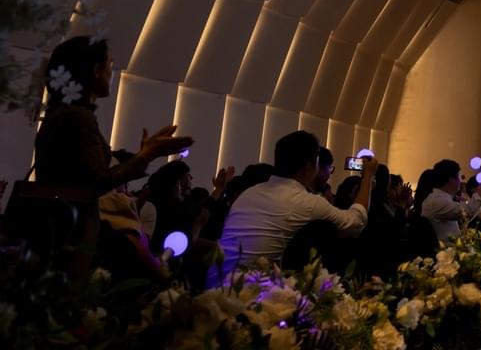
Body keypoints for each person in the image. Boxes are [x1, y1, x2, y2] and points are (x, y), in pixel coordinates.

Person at [19, 37, 192, 273]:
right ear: (96, 70)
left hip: (59, 226)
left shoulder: (62, 114)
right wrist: (146, 156)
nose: (112, 71)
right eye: (110, 64)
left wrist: (144, 155)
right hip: (73, 232)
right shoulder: (78, 117)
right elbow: (94, 182)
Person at [212, 131, 375, 284]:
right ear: (308, 167)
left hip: (214, 286)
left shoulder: (248, 194)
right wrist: (367, 176)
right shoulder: (306, 202)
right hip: (256, 294)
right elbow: (356, 222)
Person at [419, 159, 481, 242]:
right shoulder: (436, 201)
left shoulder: (443, 198)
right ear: (451, 179)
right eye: (459, 176)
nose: (461, 181)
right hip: (444, 249)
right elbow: (469, 210)